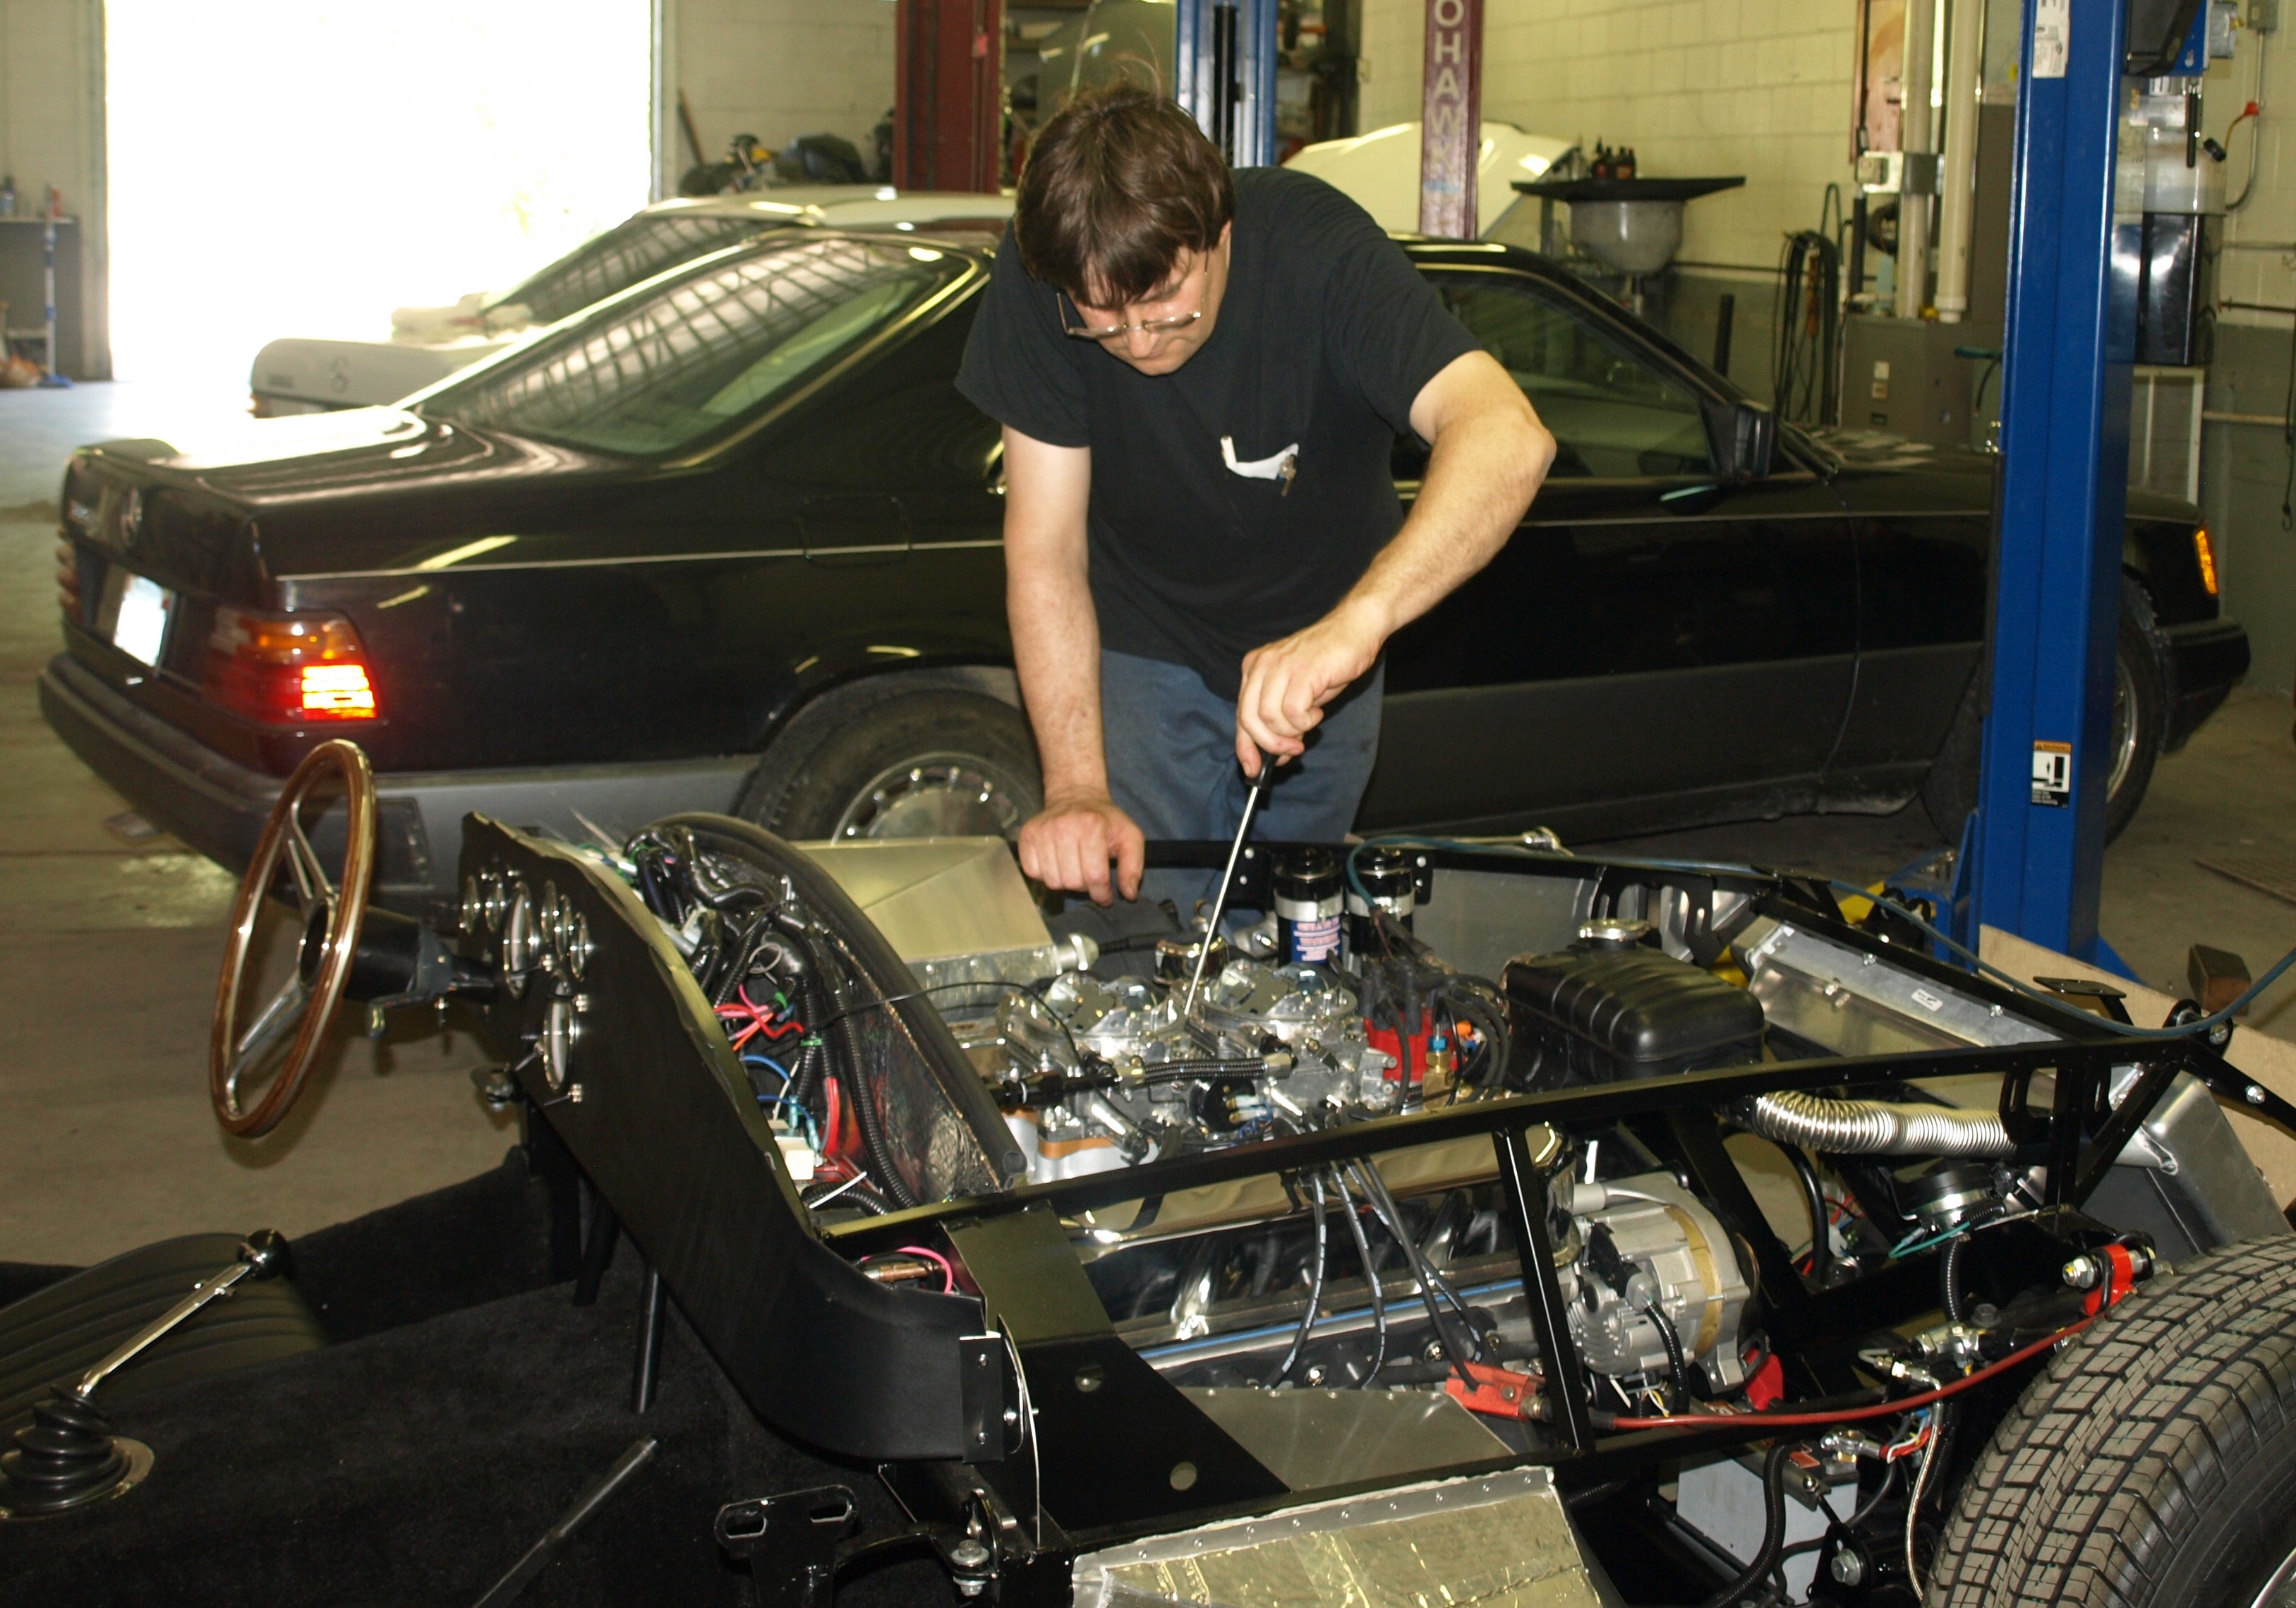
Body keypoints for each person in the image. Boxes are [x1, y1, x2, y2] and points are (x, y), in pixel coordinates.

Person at [956, 83, 1554, 906]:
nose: (1138, 342)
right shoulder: (1045, 270)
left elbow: (1507, 436)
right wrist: (1074, 789)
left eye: (1165, 304)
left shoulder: (1319, 250)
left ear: (1220, 232)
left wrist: (1355, 625)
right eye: (1103, 320)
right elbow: (1046, 547)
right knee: (1150, 926)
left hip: (1324, 636)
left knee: (1300, 921)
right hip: (1142, 635)